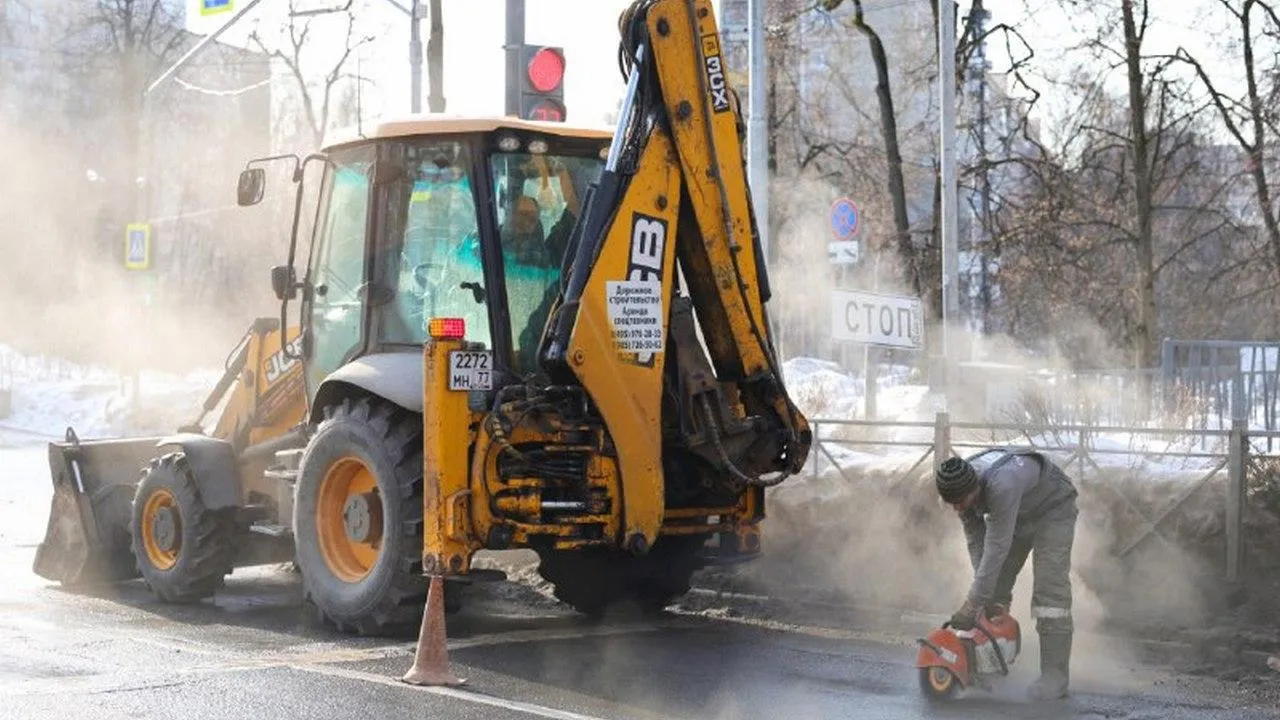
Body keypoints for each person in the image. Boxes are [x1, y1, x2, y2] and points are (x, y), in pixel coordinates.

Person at [935, 449, 1079, 701]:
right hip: (1021, 511)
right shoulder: (959, 484)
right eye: (953, 504)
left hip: (1054, 508)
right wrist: (981, 598)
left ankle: (1055, 678)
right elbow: (977, 544)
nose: (958, 508)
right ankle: (988, 665)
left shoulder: (1002, 485)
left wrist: (972, 604)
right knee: (995, 587)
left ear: (975, 489)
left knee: (1049, 591)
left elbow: (996, 548)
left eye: (961, 502)